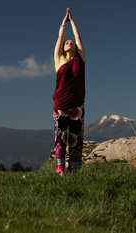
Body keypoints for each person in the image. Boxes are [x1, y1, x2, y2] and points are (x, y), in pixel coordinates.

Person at [52, 8, 86, 176]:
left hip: (77, 105)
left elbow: (78, 38)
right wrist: (63, 24)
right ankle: (60, 170)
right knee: (61, 138)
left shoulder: (80, 59)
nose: (70, 42)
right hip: (61, 104)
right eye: (67, 42)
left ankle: (74, 170)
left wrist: (73, 22)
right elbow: (60, 38)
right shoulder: (59, 59)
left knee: (76, 138)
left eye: (71, 42)